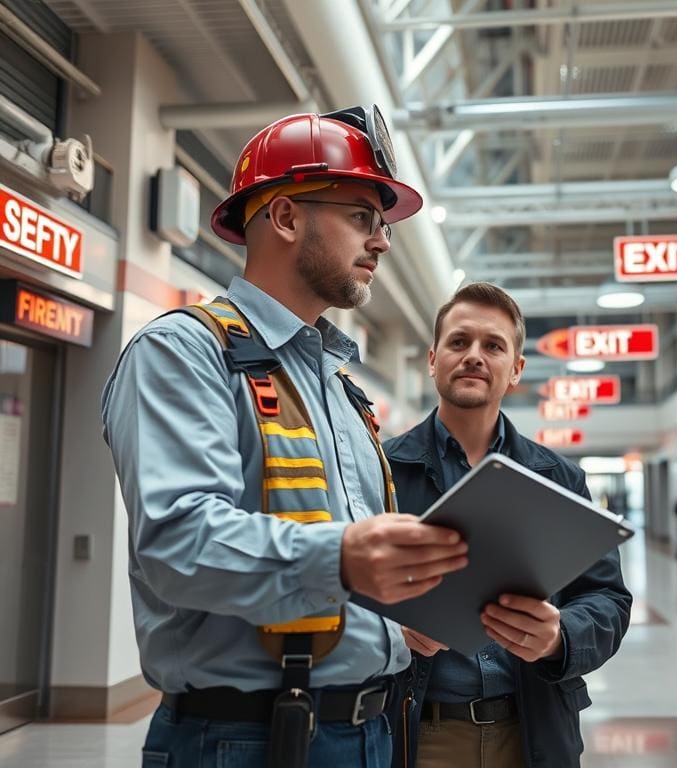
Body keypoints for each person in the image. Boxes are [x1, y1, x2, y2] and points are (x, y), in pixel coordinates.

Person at [100, 107, 470, 768]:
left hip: (370, 731)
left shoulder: (339, 388)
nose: (382, 241)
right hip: (247, 741)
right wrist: (346, 560)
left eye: (382, 224)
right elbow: (178, 541)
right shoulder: (185, 352)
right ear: (287, 217)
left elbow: (329, 555)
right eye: (362, 216)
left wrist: (393, 616)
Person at [383, 282, 633, 768]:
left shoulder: (558, 478)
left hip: (532, 730)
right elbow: (336, 586)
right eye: (459, 342)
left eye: (493, 345)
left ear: (516, 369)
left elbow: (608, 600)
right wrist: (391, 629)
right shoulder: (381, 470)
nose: (474, 356)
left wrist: (562, 636)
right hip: (418, 733)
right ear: (433, 359)